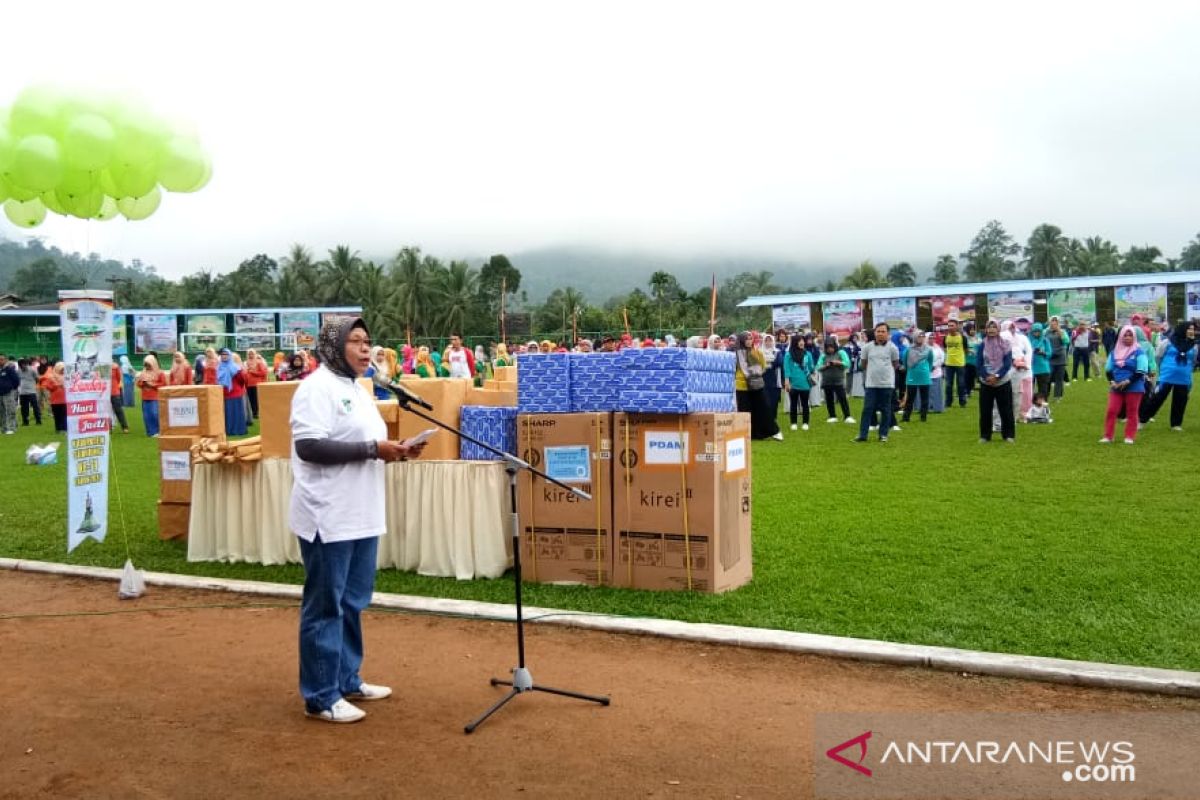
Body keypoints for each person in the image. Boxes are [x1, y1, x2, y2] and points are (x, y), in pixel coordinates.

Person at [289, 317, 426, 723]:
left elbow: (365, 443)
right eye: (357, 341)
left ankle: (346, 678)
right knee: (325, 605)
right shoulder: (315, 389)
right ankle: (320, 695)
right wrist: (372, 449)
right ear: (334, 345)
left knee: (351, 601)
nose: (367, 349)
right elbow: (309, 446)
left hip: (362, 512)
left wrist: (397, 450)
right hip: (328, 514)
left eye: (369, 342)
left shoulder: (358, 388)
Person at [1138, 320, 1195, 431]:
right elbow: (1158, 356)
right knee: (1157, 399)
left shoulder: (1193, 345)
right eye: (1189, 329)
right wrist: (1163, 369)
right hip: (1167, 376)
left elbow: (1192, 360)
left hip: (1184, 378)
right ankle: (1142, 420)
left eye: (1193, 329)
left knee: (1180, 401)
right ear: (1183, 329)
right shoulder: (1168, 342)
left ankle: (1176, 424)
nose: (1192, 331)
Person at [1100, 326, 1148, 445]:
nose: (1127, 337)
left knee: (1132, 412)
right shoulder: (1114, 352)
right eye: (1125, 335)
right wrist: (1112, 382)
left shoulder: (1139, 352)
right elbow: (1108, 369)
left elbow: (1141, 370)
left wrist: (1127, 381)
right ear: (1120, 336)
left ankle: (1129, 436)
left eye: (1130, 335)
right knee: (1112, 410)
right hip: (1116, 387)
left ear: (1134, 337)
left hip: (1134, 386)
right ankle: (1108, 436)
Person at [854, 323, 900, 443]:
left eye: (883, 331)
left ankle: (883, 434)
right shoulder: (867, 347)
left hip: (886, 384)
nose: (880, 333)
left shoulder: (892, 348)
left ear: (888, 333)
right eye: (878, 331)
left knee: (886, 409)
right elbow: (863, 364)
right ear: (874, 333)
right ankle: (863, 435)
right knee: (867, 409)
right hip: (871, 384)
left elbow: (895, 364)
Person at [734, 331, 782, 440]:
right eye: (746, 339)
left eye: (750, 339)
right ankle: (749, 433)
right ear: (741, 340)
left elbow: (763, 366)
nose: (749, 341)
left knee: (763, 408)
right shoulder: (736, 354)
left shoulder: (757, 352)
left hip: (756, 384)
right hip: (742, 385)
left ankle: (773, 431)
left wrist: (754, 374)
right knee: (745, 411)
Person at [976, 320, 1014, 443]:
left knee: (1006, 409)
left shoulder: (1006, 344)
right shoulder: (982, 345)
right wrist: (987, 376)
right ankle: (985, 436)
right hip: (986, 381)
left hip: (1002, 381)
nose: (991, 329)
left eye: (994, 327)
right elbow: (979, 363)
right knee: (985, 410)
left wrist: (997, 376)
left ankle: (1008, 435)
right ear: (986, 329)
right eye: (989, 327)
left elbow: (1007, 363)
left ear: (998, 329)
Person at [816, 337, 853, 423]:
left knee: (842, 398)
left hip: (839, 380)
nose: (830, 349)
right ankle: (832, 415)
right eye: (828, 347)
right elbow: (818, 367)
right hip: (826, 380)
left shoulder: (841, 353)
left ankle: (847, 416)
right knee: (829, 398)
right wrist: (826, 365)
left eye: (831, 347)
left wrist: (838, 363)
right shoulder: (823, 355)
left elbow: (847, 364)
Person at [782, 333, 814, 431]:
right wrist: (787, 381)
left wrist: (812, 373)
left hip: (805, 382)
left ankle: (805, 423)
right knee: (793, 404)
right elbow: (786, 368)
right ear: (795, 342)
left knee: (805, 404)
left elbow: (811, 367)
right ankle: (793, 423)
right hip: (793, 383)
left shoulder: (807, 354)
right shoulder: (789, 355)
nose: (802, 343)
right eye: (799, 341)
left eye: (803, 341)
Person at [900, 330, 933, 423]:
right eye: (919, 336)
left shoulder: (928, 349)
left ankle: (923, 418)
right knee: (910, 399)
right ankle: (906, 417)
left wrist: (926, 370)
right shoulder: (908, 349)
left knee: (925, 399)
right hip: (912, 376)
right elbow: (905, 362)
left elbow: (930, 361)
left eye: (923, 336)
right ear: (914, 337)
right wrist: (910, 370)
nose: (921, 338)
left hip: (924, 376)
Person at [217, 349, 248, 437]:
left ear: (229, 356)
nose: (224, 356)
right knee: (227, 412)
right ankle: (228, 430)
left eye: (226, 354)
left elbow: (242, 379)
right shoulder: (219, 367)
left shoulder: (235, 367)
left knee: (236, 412)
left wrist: (237, 387)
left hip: (235, 393)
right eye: (222, 354)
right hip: (224, 393)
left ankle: (238, 430)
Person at [135, 355, 167, 437]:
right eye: (145, 365)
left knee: (155, 414)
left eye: (148, 365)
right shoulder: (143, 373)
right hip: (145, 397)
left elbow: (163, 384)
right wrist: (143, 383)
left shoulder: (159, 373)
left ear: (153, 363)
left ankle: (159, 430)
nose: (147, 367)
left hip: (155, 397)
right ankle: (151, 432)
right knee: (147, 415)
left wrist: (152, 385)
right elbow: (138, 383)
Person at [941, 319, 969, 408]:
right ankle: (948, 402)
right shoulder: (946, 337)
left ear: (956, 326)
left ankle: (962, 402)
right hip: (949, 364)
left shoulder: (962, 337)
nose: (950, 327)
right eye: (949, 326)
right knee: (948, 385)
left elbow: (966, 350)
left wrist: (960, 357)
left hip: (960, 364)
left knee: (961, 384)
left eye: (952, 325)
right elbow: (945, 348)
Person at [762, 334, 784, 425]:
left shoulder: (777, 351)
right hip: (763, 379)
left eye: (770, 340)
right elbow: (759, 363)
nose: (768, 343)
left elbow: (779, 362)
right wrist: (769, 362)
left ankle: (774, 419)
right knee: (764, 400)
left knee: (774, 401)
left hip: (775, 379)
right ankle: (766, 419)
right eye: (766, 341)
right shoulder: (760, 351)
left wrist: (768, 363)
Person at [1045, 317, 1069, 399]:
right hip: (1049, 358)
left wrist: (1060, 334)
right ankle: (1046, 394)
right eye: (1052, 322)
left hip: (1060, 358)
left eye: (1056, 323)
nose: (1054, 324)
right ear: (1049, 323)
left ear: (1058, 324)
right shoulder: (1045, 332)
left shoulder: (1062, 332)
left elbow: (1066, 341)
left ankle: (1058, 396)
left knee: (1059, 378)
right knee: (1048, 377)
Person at [1029, 323, 1053, 400]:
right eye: (1034, 331)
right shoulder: (1028, 340)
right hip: (1030, 368)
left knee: (1043, 390)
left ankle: (1043, 407)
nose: (1036, 333)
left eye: (1038, 331)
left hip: (1043, 369)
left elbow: (1049, 354)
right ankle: (1030, 406)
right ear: (1032, 332)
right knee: (1029, 389)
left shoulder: (1045, 340)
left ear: (1041, 331)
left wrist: (1043, 353)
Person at [244, 349, 269, 419]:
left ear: (255, 354)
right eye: (249, 354)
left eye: (252, 354)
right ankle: (251, 413)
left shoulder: (259, 362)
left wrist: (253, 372)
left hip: (256, 384)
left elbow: (263, 373)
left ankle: (256, 413)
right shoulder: (246, 363)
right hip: (248, 384)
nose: (250, 355)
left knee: (256, 399)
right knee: (250, 399)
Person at [17, 357, 41, 426]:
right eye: (21, 365)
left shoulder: (32, 370)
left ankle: (38, 420)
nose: (23, 366)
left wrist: (32, 386)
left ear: (26, 364)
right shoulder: (18, 371)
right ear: (19, 365)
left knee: (35, 407)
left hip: (32, 392)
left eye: (24, 364)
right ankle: (25, 422)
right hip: (22, 392)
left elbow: (37, 379)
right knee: (24, 408)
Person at [0, 353, 19, 434]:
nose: (0, 361)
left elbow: (16, 380)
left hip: (8, 393)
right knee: (2, 412)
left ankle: (12, 428)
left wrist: (11, 388)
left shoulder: (9, 369)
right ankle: (4, 428)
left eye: (2, 359)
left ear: (6, 360)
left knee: (10, 410)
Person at [109, 361, 130, 433]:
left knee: (118, 410)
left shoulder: (115, 366)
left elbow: (119, 378)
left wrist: (114, 386)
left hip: (114, 391)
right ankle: (108, 427)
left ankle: (125, 427)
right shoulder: (100, 366)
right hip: (103, 392)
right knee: (105, 411)